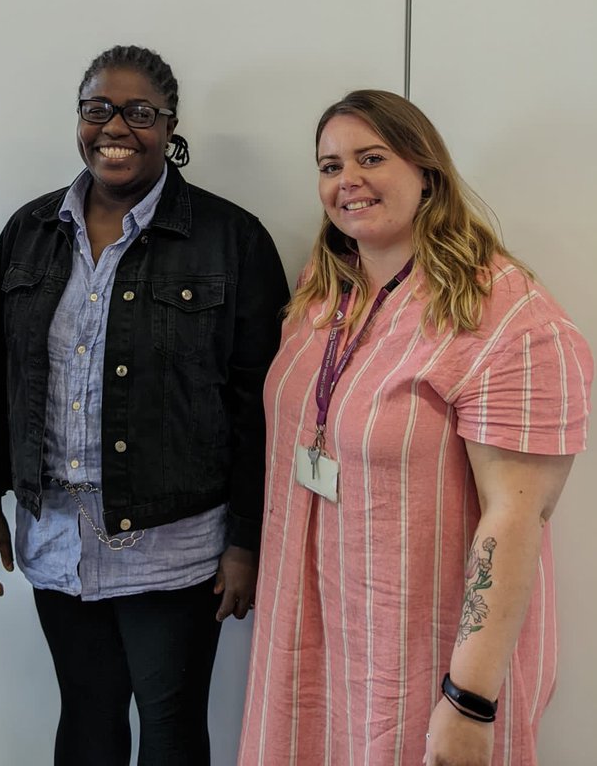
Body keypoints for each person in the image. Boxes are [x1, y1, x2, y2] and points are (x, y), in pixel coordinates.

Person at [238, 89, 593, 766]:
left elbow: (515, 519)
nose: (348, 181)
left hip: (421, 658)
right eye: (330, 165)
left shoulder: (505, 316)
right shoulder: (325, 289)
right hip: (314, 638)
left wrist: (469, 700)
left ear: (426, 172)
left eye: (371, 158)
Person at [0, 45, 289, 766]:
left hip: (175, 544)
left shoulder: (229, 238)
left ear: (170, 126)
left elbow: (257, 405)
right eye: (97, 109)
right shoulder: (31, 230)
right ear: (79, 118)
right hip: (56, 532)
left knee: (170, 727)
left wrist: (246, 541)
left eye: (140, 113)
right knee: (85, 714)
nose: (116, 126)